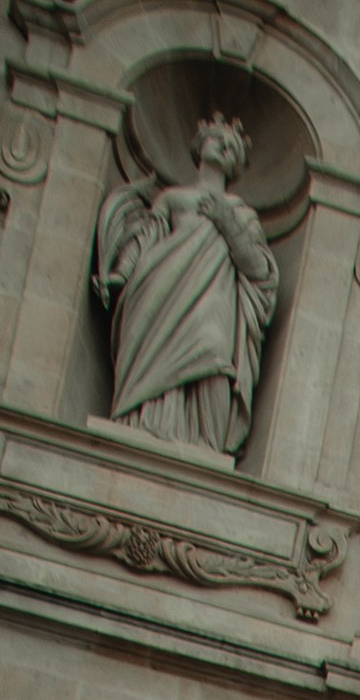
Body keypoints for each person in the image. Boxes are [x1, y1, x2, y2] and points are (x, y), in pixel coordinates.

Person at [92, 113, 279, 457]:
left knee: (213, 348)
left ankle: (204, 443)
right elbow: (145, 240)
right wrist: (119, 275)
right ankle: (143, 421)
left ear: (236, 165)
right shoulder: (172, 199)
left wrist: (226, 222)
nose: (223, 146)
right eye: (217, 139)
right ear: (199, 146)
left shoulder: (241, 213)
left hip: (213, 299)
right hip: (163, 288)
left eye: (232, 147)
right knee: (153, 348)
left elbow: (257, 268)